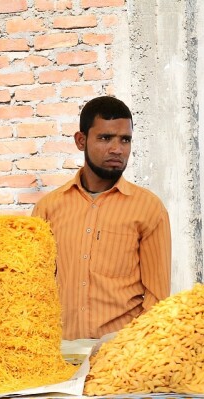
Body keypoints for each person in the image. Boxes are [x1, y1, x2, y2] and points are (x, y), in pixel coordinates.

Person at [32, 96, 171, 340]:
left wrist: (133, 351)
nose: (117, 149)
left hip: (121, 357)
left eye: (125, 140)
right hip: (62, 355)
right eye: (105, 138)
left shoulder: (148, 209)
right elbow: (35, 289)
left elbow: (157, 298)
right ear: (81, 140)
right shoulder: (48, 209)